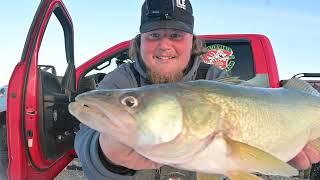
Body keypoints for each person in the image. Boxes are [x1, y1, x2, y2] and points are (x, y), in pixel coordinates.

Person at [74, 0, 320, 179]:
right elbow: (86, 139)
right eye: (154, 35)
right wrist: (105, 154)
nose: (164, 46)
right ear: (140, 42)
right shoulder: (120, 80)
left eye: (176, 35)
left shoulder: (216, 79)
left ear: (193, 41)